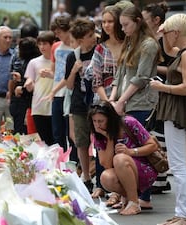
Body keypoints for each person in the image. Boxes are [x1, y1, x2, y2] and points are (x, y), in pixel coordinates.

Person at [151, 14, 186, 225]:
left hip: (178, 111)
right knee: (178, 163)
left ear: (176, 32)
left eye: (169, 33)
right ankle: (183, 213)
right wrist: (162, 33)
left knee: (178, 164)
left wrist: (161, 87)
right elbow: (168, 52)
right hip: (177, 110)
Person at [109, 6, 162, 210]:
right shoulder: (130, 41)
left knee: (141, 147)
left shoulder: (148, 44)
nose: (123, 29)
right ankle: (130, 195)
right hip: (125, 100)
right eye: (120, 26)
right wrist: (113, 99)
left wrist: (120, 100)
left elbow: (141, 78)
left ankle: (143, 196)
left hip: (141, 102)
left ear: (138, 21)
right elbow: (120, 73)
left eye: (126, 25)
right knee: (126, 147)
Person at [88, 101, 158, 215]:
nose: (97, 125)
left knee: (119, 158)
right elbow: (106, 164)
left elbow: (152, 145)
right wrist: (109, 138)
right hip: (122, 170)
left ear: (110, 119)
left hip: (145, 169)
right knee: (106, 177)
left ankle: (134, 202)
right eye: (94, 121)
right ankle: (129, 198)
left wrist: (130, 151)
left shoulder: (128, 122)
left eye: (101, 121)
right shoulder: (98, 134)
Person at [90, 5, 125, 200]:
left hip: (125, 100)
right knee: (102, 147)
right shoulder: (100, 48)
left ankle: (120, 189)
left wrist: (118, 100)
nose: (106, 25)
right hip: (103, 104)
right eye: (103, 22)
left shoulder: (129, 44)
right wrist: (108, 103)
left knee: (121, 146)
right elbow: (97, 80)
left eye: (110, 21)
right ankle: (102, 184)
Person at [141, 2, 174, 196]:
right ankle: (160, 179)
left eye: (145, 20)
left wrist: (151, 69)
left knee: (160, 135)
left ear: (156, 20)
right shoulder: (149, 40)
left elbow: (174, 69)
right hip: (152, 93)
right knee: (154, 133)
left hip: (164, 93)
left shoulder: (165, 41)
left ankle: (161, 180)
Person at [64, 18, 97, 193]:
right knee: (81, 142)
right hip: (79, 104)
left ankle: (100, 174)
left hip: (97, 103)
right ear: (81, 39)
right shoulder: (73, 56)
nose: (94, 38)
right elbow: (69, 86)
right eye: (90, 35)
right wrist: (74, 71)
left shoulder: (99, 52)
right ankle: (86, 176)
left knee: (101, 140)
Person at [44, 15, 76, 159]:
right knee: (57, 131)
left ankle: (74, 160)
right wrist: (47, 74)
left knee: (71, 132)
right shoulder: (56, 47)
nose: (58, 36)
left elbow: (69, 74)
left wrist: (54, 90)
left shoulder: (76, 46)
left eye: (60, 33)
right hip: (56, 92)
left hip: (69, 91)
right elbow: (55, 71)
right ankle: (60, 159)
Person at [24, 31, 56, 145]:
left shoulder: (58, 61)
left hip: (54, 104)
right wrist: (29, 84)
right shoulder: (34, 62)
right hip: (39, 106)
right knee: (43, 140)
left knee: (56, 139)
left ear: (53, 44)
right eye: (40, 44)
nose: (42, 47)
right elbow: (30, 84)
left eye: (45, 44)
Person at [8, 24, 40, 135]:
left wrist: (11, 93)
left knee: (20, 131)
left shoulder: (17, 51)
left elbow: (12, 76)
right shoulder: (41, 55)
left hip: (20, 96)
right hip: (35, 98)